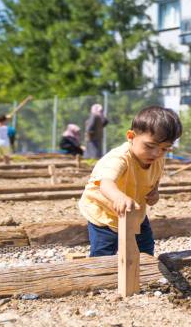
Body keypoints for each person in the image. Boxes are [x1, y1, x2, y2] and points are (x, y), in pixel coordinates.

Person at [78, 106, 182, 257]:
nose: (157, 153)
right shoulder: (119, 158)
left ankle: (142, 275)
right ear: (131, 136)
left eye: (165, 149)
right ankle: (103, 278)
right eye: (150, 146)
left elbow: (153, 181)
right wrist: (119, 197)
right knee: (104, 253)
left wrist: (154, 193)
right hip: (104, 213)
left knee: (145, 248)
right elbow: (105, 183)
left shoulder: (158, 159)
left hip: (134, 212)